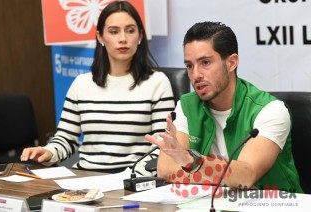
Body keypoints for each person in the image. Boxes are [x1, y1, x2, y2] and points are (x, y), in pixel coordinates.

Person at [145, 21, 303, 193]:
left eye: (205, 63)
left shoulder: (271, 110)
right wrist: (228, 180)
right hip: (215, 203)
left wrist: (191, 162)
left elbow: (246, 175)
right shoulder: (187, 106)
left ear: (232, 62)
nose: (196, 75)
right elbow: (166, 170)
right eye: (189, 66)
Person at [20, 1, 175, 176]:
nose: (122, 38)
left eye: (130, 31)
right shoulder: (81, 84)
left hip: (133, 180)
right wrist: (49, 152)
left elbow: (162, 146)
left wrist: (131, 177)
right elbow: (66, 139)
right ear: (100, 37)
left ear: (140, 36)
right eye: (114, 31)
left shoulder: (157, 82)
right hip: (85, 178)